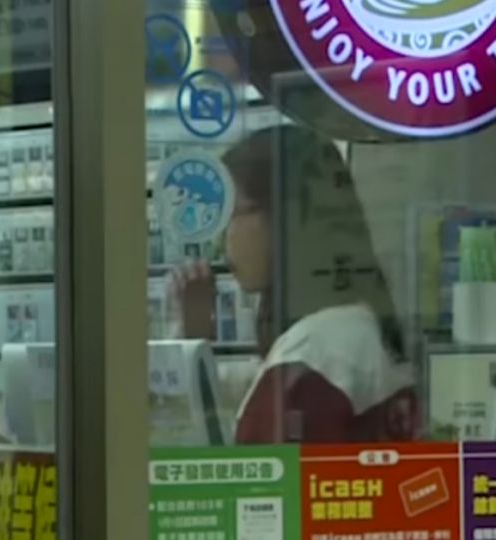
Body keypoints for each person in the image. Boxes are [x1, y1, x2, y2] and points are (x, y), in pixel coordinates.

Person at [170, 126, 418, 443]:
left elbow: (249, 471)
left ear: (285, 216)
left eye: (231, 215)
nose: (222, 239)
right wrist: (194, 345)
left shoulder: (315, 354)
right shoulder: (348, 328)